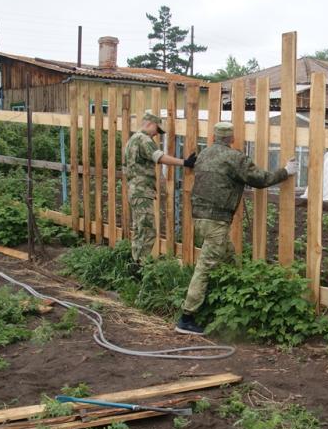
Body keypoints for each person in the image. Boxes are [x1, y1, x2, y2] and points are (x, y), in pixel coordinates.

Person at [175, 121, 299, 335]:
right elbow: (260, 179)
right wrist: (285, 172)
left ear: (213, 137)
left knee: (230, 257)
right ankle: (187, 317)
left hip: (199, 216)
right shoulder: (235, 157)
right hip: (217, 219)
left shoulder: (204, 154)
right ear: (231, 139)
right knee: (205, 267)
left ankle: (237, 298)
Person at [125, 111, 195, 264]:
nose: (157, 134)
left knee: (138, 229)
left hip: (134, 190)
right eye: (157, 130)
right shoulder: (144, 139)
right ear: (151, 124)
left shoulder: (132, 139)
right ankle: (140, 266)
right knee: (148, 231)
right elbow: (160, 157)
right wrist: (185, 162)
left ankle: (134, 262)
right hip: (142, 191)